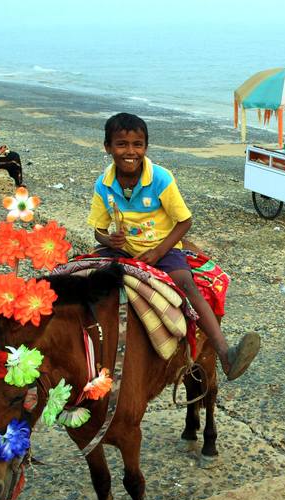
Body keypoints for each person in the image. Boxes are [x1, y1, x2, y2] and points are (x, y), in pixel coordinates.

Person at [87, 113, 261, 381]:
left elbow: (184, 221)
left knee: (186, 283)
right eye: (122, 144)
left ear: (146, 147)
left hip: (163, 247)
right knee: (83, 275)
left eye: (138, 144)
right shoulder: (104, 184)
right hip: (124, 249)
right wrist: (108, 239)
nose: (130, 151)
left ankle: (226, 355)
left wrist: (158, 252)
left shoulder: (160, 178)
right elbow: (98, 229)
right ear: (108, 147)